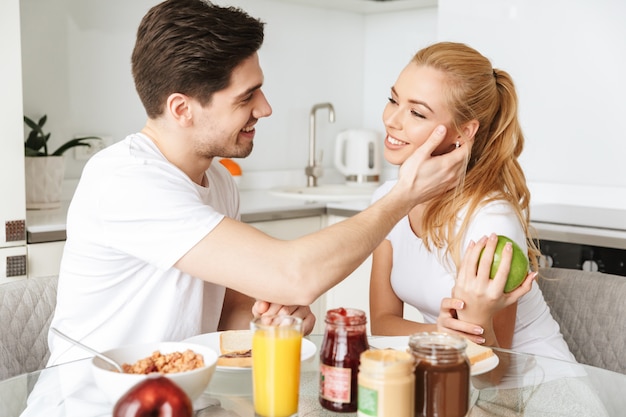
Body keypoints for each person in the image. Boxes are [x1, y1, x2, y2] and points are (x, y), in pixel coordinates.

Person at [45, 0, 468, 368]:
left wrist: (266, 317)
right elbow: (294, 274)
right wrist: (404, 194)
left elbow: (229, 311)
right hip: (94, 401)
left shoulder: (216, 179)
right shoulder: (126, 182)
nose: (265, 109)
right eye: (247, 97)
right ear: (182, 109)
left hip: (176, 397)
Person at [369, 42, 574, 361]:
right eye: (393, 99)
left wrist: (444, 337)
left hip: (532, 385)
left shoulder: (490, 220)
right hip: (452, 367)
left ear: (463, 133)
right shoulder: (388, 201)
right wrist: (441, 335)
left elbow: (498, 366)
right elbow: (382, 325)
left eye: (417, 112)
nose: (391, 120)